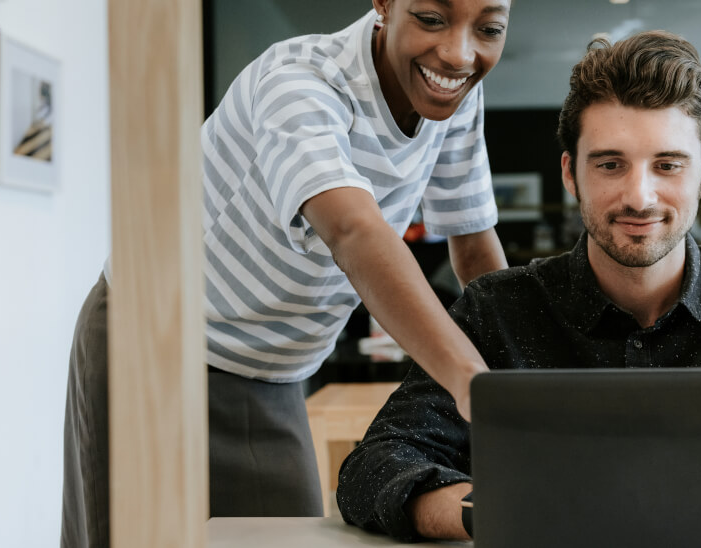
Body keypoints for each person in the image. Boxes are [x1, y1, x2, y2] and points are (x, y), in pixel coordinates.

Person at [336, 30, 701, 542]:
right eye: (610, 164)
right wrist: (498, 512)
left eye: (667, 165)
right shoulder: (495, 310)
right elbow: (373, 468)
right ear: (570, 172)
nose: (639, 197)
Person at [61, 1, 513, 547]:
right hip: (151, 347)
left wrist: (527, 371)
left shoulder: (453, 92)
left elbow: (473, 243)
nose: (459, 53)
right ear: (384, 4)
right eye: (432, 19)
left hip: (276, 374)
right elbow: (353, 231)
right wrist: (475, 381)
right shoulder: (300, 80)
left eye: (488, 28)